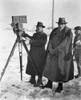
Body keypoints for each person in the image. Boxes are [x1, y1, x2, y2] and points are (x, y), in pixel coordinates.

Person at [40, 17, 74, 93]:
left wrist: (54, 51)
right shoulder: (55, 30)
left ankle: (60, 86)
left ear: (64, 24)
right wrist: (50, 49)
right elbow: (51, 40)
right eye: (59, 24)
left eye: (62, 24)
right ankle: (49, 84)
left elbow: (64, 44)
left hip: (62, 54)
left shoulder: (68, 32)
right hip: (52, 54)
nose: (60, 26)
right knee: (50, 68)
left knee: (60, 69)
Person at [23, 22, 47, 87]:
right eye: (37, 27)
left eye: (40, 27)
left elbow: (40, 42)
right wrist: (25, 34)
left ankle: (39, 81)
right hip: (33, 53)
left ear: (42, 28)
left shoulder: (44, 35)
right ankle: (32, 79)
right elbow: (32, 38)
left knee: (39, 67)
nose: (38, 28)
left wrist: (30, 41)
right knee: (32, 65)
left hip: (40, 55)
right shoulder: (35, 34)